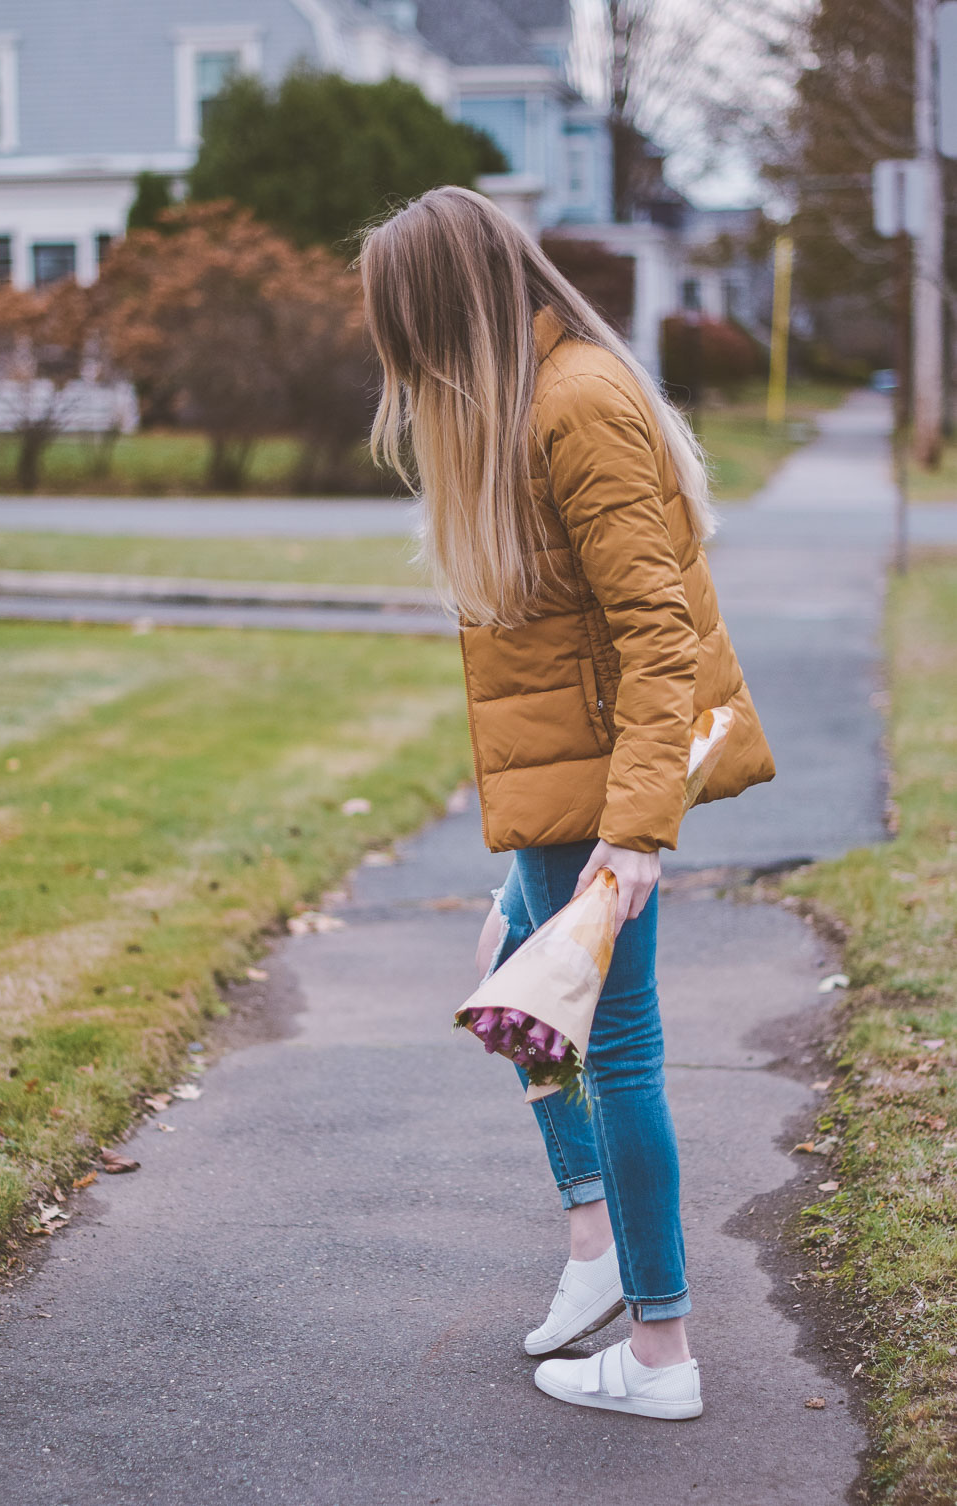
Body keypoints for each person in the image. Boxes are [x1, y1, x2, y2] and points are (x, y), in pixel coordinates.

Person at [360, 186, 775, 1421]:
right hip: (571, 777)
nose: (403, 362)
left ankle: (659, 1353)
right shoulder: (533, 395)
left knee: (614, 1048)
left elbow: (656, 636)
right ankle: (594, 1247)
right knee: (514, 975)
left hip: (601, 787)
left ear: (446, 312)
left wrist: (632, 833)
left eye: (406, 332)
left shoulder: (573, 404)